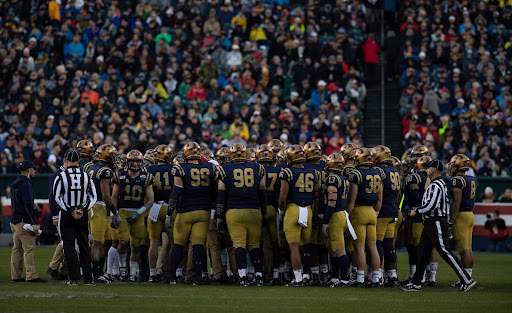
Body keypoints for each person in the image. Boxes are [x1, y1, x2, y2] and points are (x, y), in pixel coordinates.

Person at [401, 160, 476, 292]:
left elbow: (431, 205)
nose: (426, 170)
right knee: (423, 253)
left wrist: (416, 211)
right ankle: (416, 283)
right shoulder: (436, 184)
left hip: (435, 222)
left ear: (435, 170)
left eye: (428, 168)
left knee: (445, 252)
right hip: (430, 223)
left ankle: (466, 279)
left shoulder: (436, 185)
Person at [166, 142, 216, 285]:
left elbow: (176, 191)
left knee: (179, 244)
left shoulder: (180, 167)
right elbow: (215, 189)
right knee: (198, 245)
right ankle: (198, 277)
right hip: (203, 211)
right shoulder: (209, 167)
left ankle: (171, 276)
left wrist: (169, 212)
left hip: (185, 211)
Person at [217, 144, 267, 286]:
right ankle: (258, 276)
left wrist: (219, 216)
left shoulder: (225, 169)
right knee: (254, 245)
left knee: (239, 245)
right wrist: (263, 213)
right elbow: (262, 193)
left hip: (234, 212)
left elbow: (221, 195)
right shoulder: (257, 167)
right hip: (253, 211)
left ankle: (243, 276)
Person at [278, 145, 321, 286]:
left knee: (294, 246)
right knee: (306, 245)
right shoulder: (312, 172)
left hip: (293, 210)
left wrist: (281, 211)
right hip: (307, 210)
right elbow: (316, 196)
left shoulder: (287, 172)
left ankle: (298, 278)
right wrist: (314, 214)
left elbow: (283, 196)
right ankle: (307, 275)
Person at [53, 150, 97, 286]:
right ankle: (88, 279)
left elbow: (57, 197)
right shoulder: (86, 176)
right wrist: (83, 210)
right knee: (84, 246)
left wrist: (71, 210)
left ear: (66, 160)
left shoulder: (61, 176)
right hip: (82, 214)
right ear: (79, 161)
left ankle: (73, 278)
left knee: (69, 246)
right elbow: (93, 196)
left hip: (67, 214)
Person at [111, 150, 154, 282]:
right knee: (123, 242)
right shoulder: (120, 176)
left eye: (137, 162)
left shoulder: (146, 177)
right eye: (132, 161)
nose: (135, 164)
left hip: (138, 213)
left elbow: (151, 199)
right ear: (128, 163)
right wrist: (114, 214)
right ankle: (123, 268)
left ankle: (132, 274)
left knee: (136, 246)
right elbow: (114, 197)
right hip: (123, 212)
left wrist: (140, 212)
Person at [346, 148, 383, 287]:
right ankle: (375, 278)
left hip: (359, 212)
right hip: (372, 212)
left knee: (359, 248)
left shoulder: (356, 173)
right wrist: (376, 212)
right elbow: (379, 199)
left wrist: (347, 214)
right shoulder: (377, 172)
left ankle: (360, 279)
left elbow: (352, 199)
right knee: (373, 247)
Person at [84, 144, 118, 283]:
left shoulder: (90, 167)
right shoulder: (105, 171)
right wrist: (115, 212)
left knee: (107, 241)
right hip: (98, 206)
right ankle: (94, 274)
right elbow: (106, 196)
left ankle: (99, 272)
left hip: (93, 206)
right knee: (97, 243)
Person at [10, 160, 47, 283]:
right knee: (29, 249)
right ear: (29, 170)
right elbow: (28, 205)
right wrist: (32, 223)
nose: (35, 171)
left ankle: (16, 275)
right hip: (24, 222)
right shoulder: (26, 184)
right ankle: (31, 276)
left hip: (15, 221)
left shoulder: (15, 183)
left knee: (17, 250)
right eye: (34, 169)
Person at [145, 145, 175, 282]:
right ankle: (174, 272)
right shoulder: (174, 169)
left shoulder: (149, 169)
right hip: (170, 208)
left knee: (153, 243)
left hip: (154, 207)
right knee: (174, 242)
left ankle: (152, 274)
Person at [372, 145, 401, 287]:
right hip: (393, 209)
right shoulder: (394, 171)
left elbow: (379, 193)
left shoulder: (379, 171)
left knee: (377, 243)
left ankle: (379, 275)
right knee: (389, 244)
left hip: (383, 210)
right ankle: (392, 275)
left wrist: (377, 210)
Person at [321, 153, 350, 287]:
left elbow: (332, 202)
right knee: (332, 248)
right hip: (342, 214)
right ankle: (334, 278)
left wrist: (325, 221)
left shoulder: (332, 179)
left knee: (339, 249)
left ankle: (344, 279)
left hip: (336, 215)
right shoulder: (343, 178)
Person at [448, 154, 477, 287]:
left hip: (461, 215)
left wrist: (450, 221)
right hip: (470, 214)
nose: (451, 167)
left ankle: (466, 280)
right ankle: (467, 277)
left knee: (464, 250)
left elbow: (456, 204)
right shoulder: (472, 179)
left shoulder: (457, 181)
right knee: (468, 249)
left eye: (453, 164)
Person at [303, 142, 329, 285]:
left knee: (312, 244)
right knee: (323, 245)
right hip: (328, 209)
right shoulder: (326, 166)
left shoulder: (306, 168)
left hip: (313, 208)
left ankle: (314, 274)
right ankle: (325, 272)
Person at [256, 144, 281, 284]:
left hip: (261, 208)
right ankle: (277, 273)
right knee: (275, 243)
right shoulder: (279, 170)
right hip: (275, 208)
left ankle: (265, 273)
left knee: (262, 243)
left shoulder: (256, 170)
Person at [46, 159, 68, 281]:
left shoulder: (65, 174)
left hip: (67, 212)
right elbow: (52, 196)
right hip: (60, 213)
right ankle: (53, 267)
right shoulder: (57, 175)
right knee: (66, 240)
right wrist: (55, 215)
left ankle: (64, 270)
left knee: (68, 241)